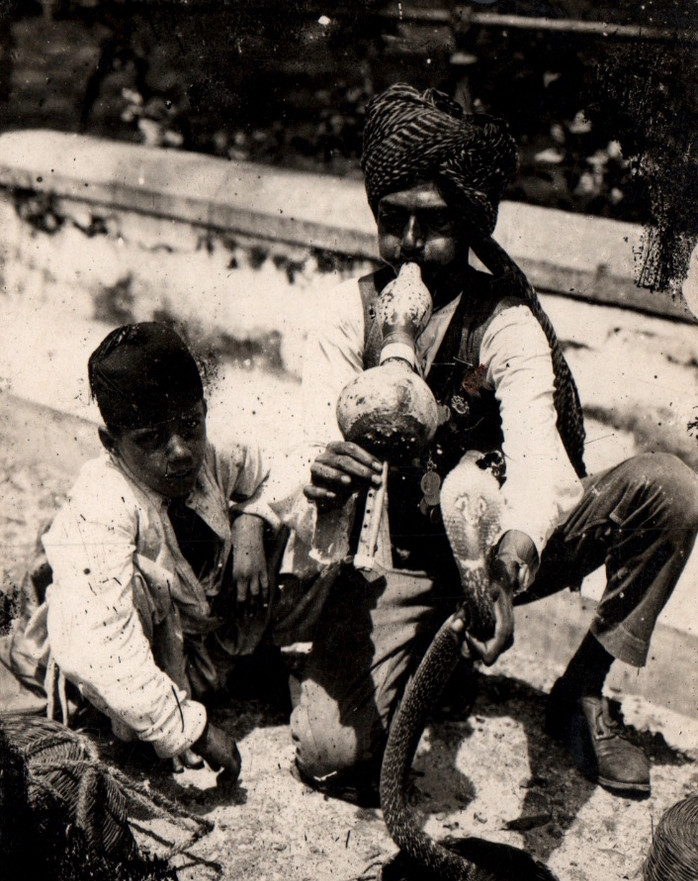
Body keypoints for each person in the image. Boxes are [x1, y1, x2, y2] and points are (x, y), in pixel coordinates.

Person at [288, 83, 698, 800]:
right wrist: (319, 477)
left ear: (472, 223)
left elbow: (542, 465)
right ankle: (402, 655)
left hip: (504, 546)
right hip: (404, 564)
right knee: (330, 752)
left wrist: (505, 573)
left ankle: (584, 689)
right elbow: (301, 452)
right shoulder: (342, 314)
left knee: (671, 491)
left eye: (435, 224)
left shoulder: (504, 322)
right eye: (393, 221)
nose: (411, 245)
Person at [2, 322, 285, 778]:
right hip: (119, 664)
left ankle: (246, 667)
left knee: (289, 528)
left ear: (203, 412)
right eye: (151, 439)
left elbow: (284, 464)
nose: (179, 452)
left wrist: (254, 517)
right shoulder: (104, 497)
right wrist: (189, 728)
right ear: (111, 443)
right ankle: (138, 723)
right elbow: (96, 645)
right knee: (127, 580)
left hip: (200, 642)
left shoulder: (213, 452)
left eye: (190, 426)